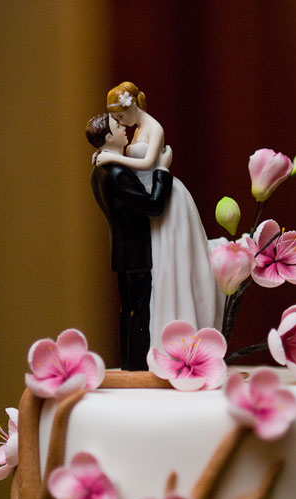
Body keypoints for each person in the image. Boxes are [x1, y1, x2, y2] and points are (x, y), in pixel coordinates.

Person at [96, 82, 226, 349]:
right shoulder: (138, 129)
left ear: (130, 107)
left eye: (120, 117)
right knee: (161, 265)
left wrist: (112, 159)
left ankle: (181, 329)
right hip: (149, 199)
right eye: (117, 121)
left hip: (165, 197)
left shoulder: (154, 128)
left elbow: (146, 163)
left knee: (172, 261)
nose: (121, 123)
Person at [86, 113, 173, 370]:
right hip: (135, 251)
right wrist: (162, 170)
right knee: (140, 310)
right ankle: (137, 366)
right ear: (108, 137)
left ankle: (128, 363)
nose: (124, 127)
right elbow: (154, 205)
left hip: (121, 250)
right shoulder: (115, 173)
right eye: (117, 125)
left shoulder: (100, 171)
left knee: (128, 310)